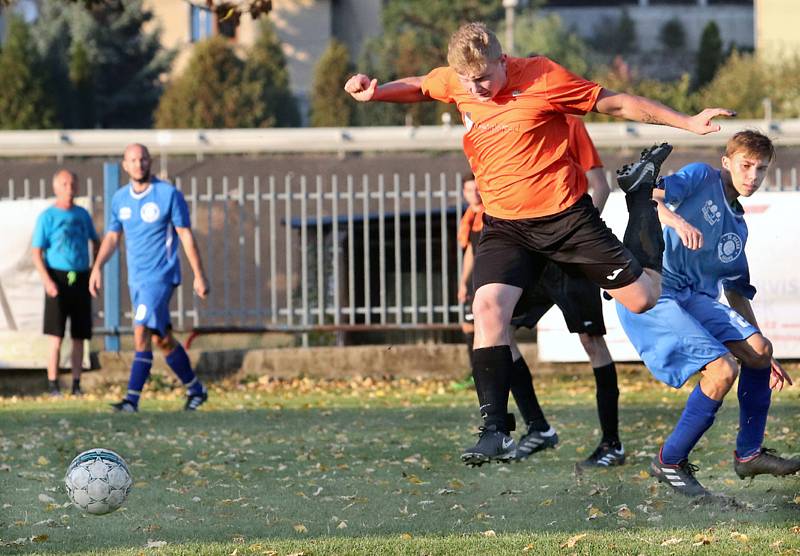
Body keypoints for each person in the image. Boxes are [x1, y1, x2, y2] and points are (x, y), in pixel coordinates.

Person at [345, 21, 733, 466]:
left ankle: (641, 202)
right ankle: (495, 430)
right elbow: (421, 86)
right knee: (487, 309)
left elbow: (616, 102)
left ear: (502, 61)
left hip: (566, 220)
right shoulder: (460, 79)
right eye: (468, 82)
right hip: (506, 227)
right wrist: (377, 92)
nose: (476, 89)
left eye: (484, 78)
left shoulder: (544, 78)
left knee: (644, 298)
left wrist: (685, 121)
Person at [617, 130, 799, 497]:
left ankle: (748, 455)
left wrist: (762, 353)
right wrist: (678, 221)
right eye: (745, 166)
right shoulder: (701, 177)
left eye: (761, 169)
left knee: (759, 352)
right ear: (726, 162)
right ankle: (669, 460)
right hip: (654, 288)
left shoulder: (738, 226)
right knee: (722, 369)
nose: (752, 176)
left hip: (691, 297)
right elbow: (645, 196)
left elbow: (736, 291)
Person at [508, 116, 624, 467]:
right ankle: (538, 427)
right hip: (534, 255)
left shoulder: (570, 124)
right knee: (498, 330)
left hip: (571, 256)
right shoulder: (511, 125)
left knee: (591, 342)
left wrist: (576, 237)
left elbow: (599, 186)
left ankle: (611, 444)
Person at [89, 143, 210, 412]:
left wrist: (199, 275)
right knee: (161, 339)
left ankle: (131, 400)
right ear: (125, 165)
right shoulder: (120, 199)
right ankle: (196, 390)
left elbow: (185, 235)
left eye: (143, 159)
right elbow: (112, 236)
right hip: (137, 280)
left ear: (150, 162)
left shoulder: (167, 194)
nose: (138, 164)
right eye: (133, 160)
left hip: (161, 277)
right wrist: (97, 267)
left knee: (140, 330)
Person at [31, 170, 99, 396]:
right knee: (56, 336)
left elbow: (96, 242)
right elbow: (36, 253)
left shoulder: (82, 215)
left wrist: (94, 270)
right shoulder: (47, 217)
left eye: (72, 183)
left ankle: (77, 384)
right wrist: (47, 280)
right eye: (64, 183)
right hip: (58, 277)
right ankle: (53, 384)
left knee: (79, 336)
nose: (69, 188)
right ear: (56, 187)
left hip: (79, 276)